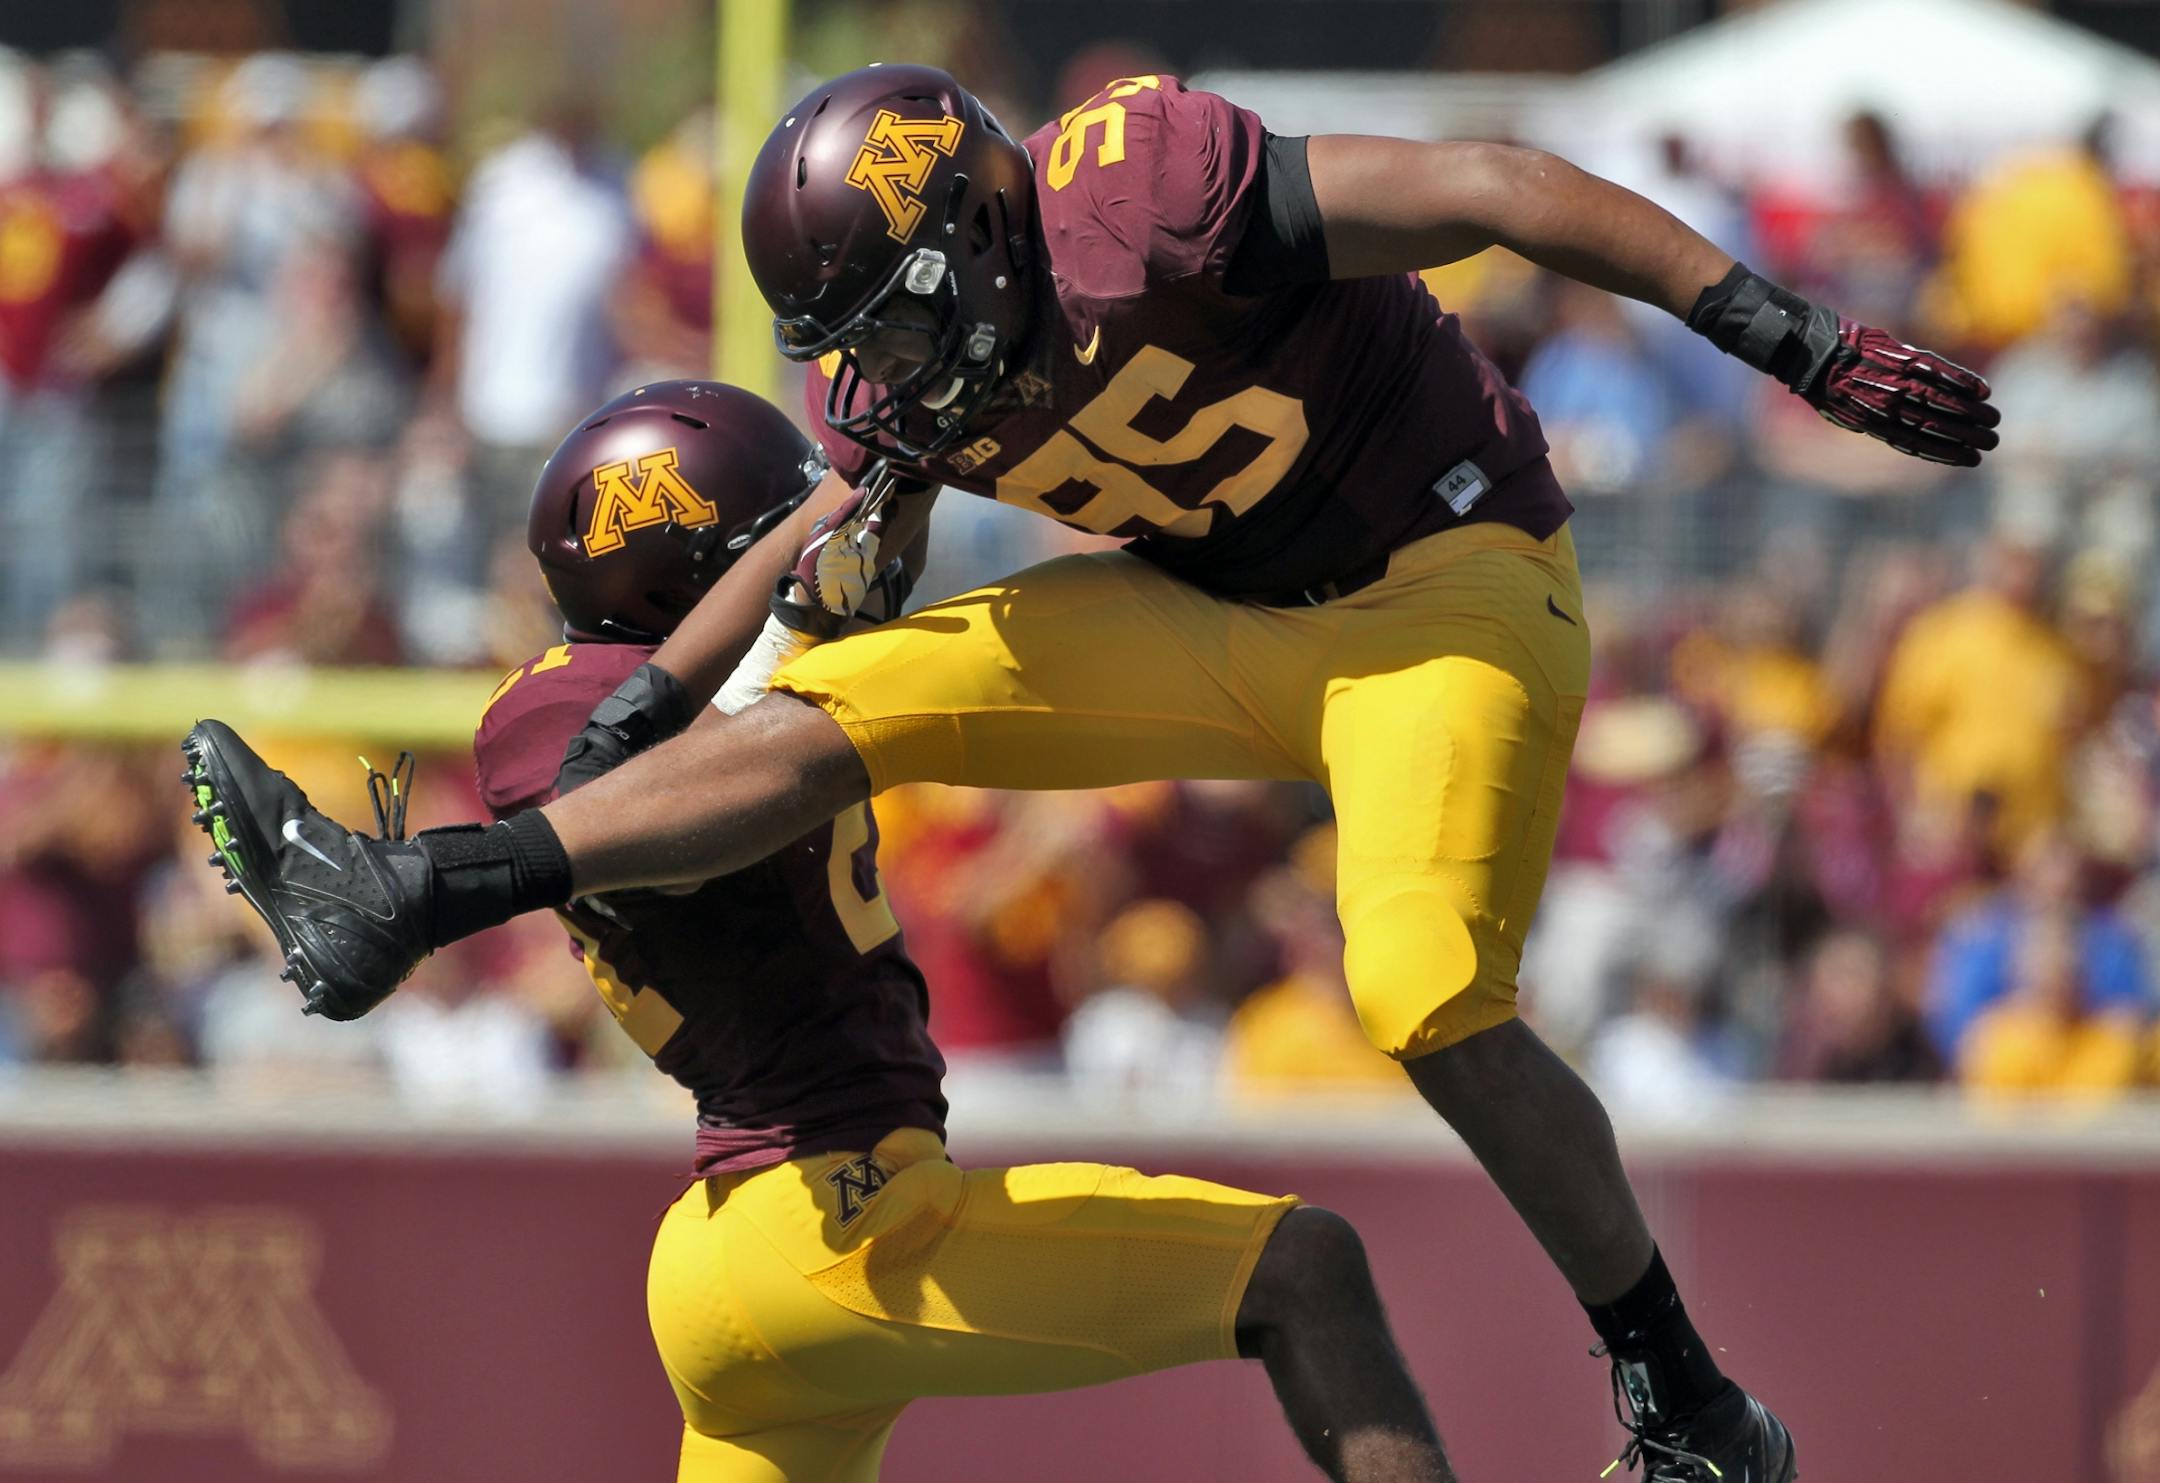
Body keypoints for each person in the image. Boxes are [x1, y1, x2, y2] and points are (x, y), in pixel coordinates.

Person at [185, 65, 2004, 1479]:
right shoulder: (900, 358)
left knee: (1426, 986)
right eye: (860, 345)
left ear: (980, 227)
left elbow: (1495, 192)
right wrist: (646, 700)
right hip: (1211, 610)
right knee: (852, 703)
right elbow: (829, 516)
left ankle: (1686, 1393)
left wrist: (1791, 335)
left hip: (1445, 584)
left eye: (900, 321)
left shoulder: (1147, 192)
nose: (888, 374)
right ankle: (413, 889)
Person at [198, 380, 1453, 1482]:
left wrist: (895, 477)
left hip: (774, 1235)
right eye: (771, 537)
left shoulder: (770, 687)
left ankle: (393, 885)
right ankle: (392, 885)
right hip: (827, 1222)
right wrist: (799, 583)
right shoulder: (566, 706)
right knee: (1306, 1271)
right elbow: (607, 794)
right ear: (698, 558)